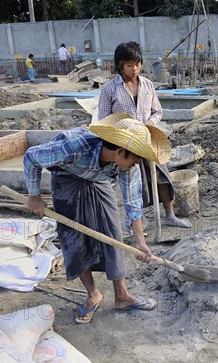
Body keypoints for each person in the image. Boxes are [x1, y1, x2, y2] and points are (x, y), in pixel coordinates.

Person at [24, 113, 167, 323]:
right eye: (135, 159)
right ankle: (93, 294)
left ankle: (122, 296)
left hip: (99, 179)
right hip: (67, 179)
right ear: (120, 151)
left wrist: (139, 241)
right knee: (74, 238)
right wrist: (34, 197)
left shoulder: (126, 163)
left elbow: (132, 200)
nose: (136, 164)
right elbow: (31, 157)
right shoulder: (74, 146)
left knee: (113, 232)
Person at [98, 41, 191, 229]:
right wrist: (121, 134)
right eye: (130, 65)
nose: (135, 69)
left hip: (149, 138)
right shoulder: (110, 89)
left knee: (162, 176)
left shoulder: (147, 85)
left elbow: (158, 112)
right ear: (120, 66)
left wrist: (150, 123)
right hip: (126, 143)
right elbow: (103, 119)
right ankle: (140, 220)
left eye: (138, 64)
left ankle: (170, 215)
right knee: (134, 183)